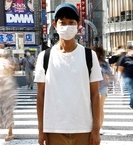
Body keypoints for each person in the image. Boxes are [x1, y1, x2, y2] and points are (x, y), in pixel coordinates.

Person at [34, 3, 103, 145]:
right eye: (62, 23)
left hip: (84, 128)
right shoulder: (44, 57)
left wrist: (96, 129)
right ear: (55, 25)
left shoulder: (89, 56)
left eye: (71, 22)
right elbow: (40, 95)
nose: (67, 26)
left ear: (78, 25)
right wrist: (41, 130)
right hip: (54, 129)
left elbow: (95, 94)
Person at [92, 45, 112, 135]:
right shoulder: (88, 62)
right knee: (91, 108)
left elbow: (109, 74)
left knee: (99, 108)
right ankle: (93, 126)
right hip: (91, 88)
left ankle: (99, 127)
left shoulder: (104, 63)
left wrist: (107, 76)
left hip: (102, 87)